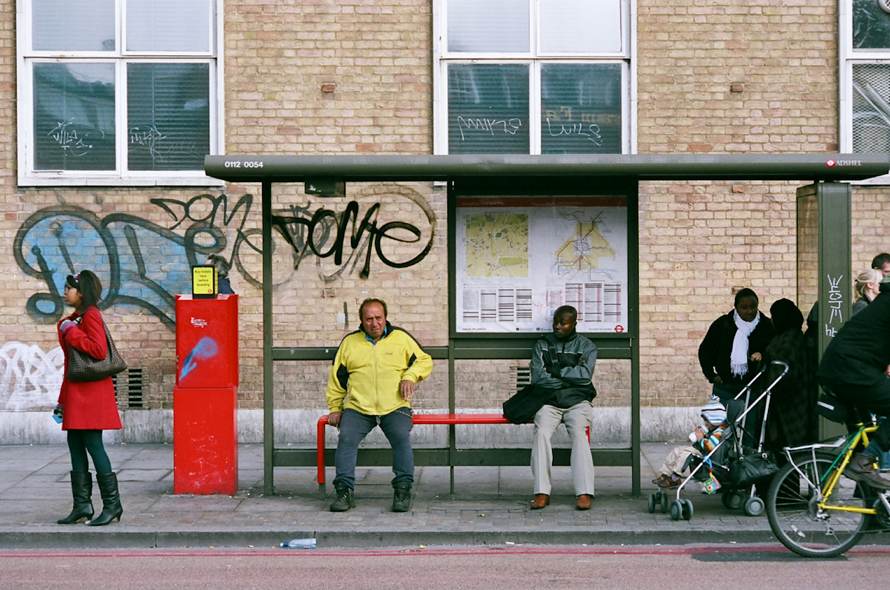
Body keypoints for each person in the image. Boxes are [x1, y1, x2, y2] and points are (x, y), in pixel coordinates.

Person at [325, 298, 433, 512]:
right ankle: (344, 492)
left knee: (401, 437)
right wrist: (335, 408)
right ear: (361, 321)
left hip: (395, 406)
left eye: (378, 318)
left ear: (385, 318)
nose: (374, 323)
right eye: (369, 319)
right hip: (358, 407)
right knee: (346, 438)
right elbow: (337, 378)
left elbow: (424, 360)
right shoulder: (350, 343)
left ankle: (402, 489)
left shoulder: (401, 338)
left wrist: (410, 376)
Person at [55, 270, 123, 526]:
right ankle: (82, 505)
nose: (65, 292)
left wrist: (72, 332)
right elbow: (70, 364)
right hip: (76, 393)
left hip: (91, 394)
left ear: (81, 292)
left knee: (94, 445)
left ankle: (112, 505)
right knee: (74, 445)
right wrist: (63, 399)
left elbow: (98, 350)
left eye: (69, 288)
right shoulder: (75, 318)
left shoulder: (91, 315)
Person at [817, 277, 890, 489]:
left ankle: (873, 503)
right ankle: (864, 461)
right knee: (868, 452)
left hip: (845, 370)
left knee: (868, 433)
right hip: (851, 371)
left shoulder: (884, 301)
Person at [529, 305, 598, 511]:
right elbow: (538, 377)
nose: (557, 326)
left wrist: (557, 372)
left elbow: (585, 376)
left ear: (574, 324)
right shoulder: (542, 345)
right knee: (541, 433)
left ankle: (584, 492)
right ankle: (541, 491)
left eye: (563, 323)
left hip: (577, 402)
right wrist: (568, 379)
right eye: (555, 322)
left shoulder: (586, 346)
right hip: (549, 401)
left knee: (579, 435)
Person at [698, 288, 775, 403]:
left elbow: (775, 351)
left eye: (753, 307)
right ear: (736, 307)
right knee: (724, 415)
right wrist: (711, 375)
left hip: (756, 389)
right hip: (724, 387)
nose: (749, 311)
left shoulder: (767, 326)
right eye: (744, 307)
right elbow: (706, 350)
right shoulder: (723, 324)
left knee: (752, 415)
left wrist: (763, 355)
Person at [762, 298, 817, 450]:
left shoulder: (785, 342)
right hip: (801, 398)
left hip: (787, 402)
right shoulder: (797, 337)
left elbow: (778, 377)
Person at [652, 398, 727, 490]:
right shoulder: (712, 429)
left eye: (707, 421)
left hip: (707, 455)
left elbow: (710, 446)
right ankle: (665, 474)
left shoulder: (719, 432)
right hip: (700, 450)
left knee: (685, 454)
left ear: (715, 420)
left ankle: (675, 478)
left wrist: (700, 438)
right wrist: (701, 433)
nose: (705, 423)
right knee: (677, 450)